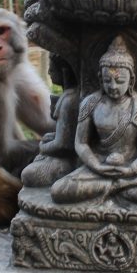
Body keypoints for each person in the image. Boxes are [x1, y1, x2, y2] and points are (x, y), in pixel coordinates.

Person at [51, 37, 137, 206]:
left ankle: (109, 191)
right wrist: (96, 166)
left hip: (133, 172)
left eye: (120, 81)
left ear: (131, 80)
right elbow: (81, 143)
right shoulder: (90, 103)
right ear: (100, 79)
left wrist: (133, 169)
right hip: (98, 169)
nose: (113, 86)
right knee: (59, 191)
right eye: (107, 80)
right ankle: (117, 190)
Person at [22, 56, 79, 188]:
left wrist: (42, 146)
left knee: (28, 174)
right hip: (60, 151)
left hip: (69, 158)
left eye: (52, 70)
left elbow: (63, 144)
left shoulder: (69, 101)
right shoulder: (66, 96)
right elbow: (61, 133)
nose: (49, 73)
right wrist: (48, 139)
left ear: (63, 71)